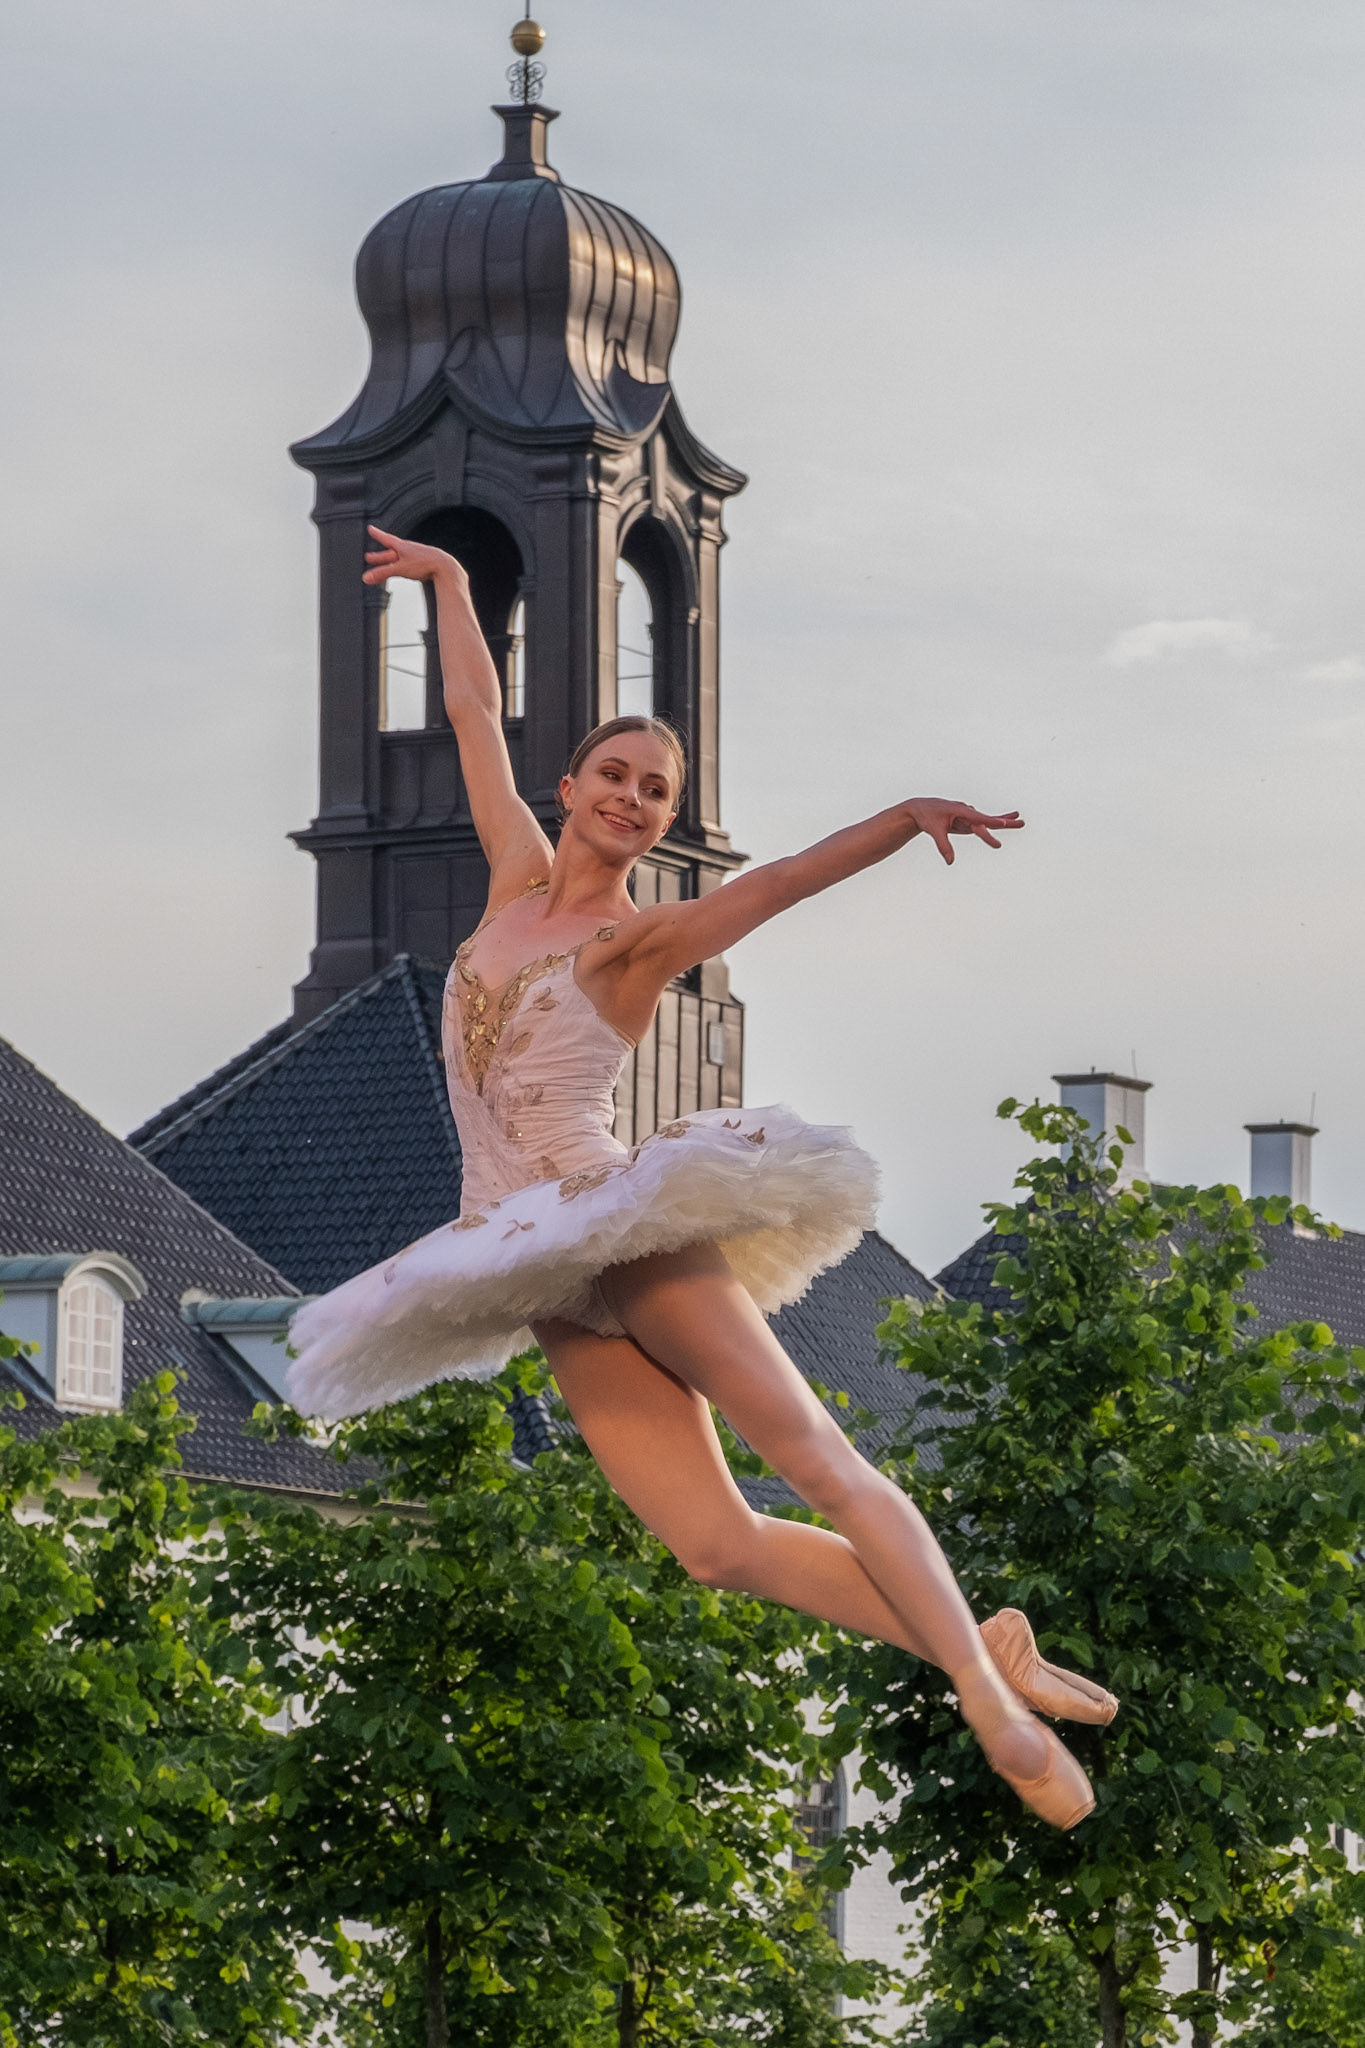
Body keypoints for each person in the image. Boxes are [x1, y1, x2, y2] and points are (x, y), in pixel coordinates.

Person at [288, 528, 1119, 1831]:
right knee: (717, 1546)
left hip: (614, 1230)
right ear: (570, 785)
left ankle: (985, 1700)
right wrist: (449, 585)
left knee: (813, 1455)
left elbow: (777, 883)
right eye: (616, 775)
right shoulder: (507, 882)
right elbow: (473, 716)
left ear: (665, 821)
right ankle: (977, 1645)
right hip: (525, 1257)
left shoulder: (638, 940)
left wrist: (901, 820)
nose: (633, 797)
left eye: (658, 791)